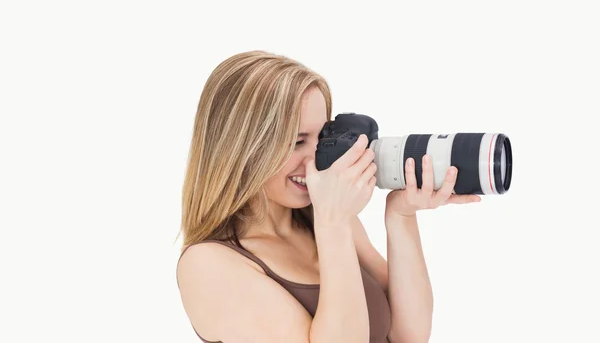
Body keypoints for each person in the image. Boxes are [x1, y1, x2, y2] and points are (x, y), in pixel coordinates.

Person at [175, 50, 480, 343]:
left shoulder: (322, 218)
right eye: (296, 142)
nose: (317, 160)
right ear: (241, 149)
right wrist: (332, 224)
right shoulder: (207, 265)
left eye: (321, 138)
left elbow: (409, 335)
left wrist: (400, 215)